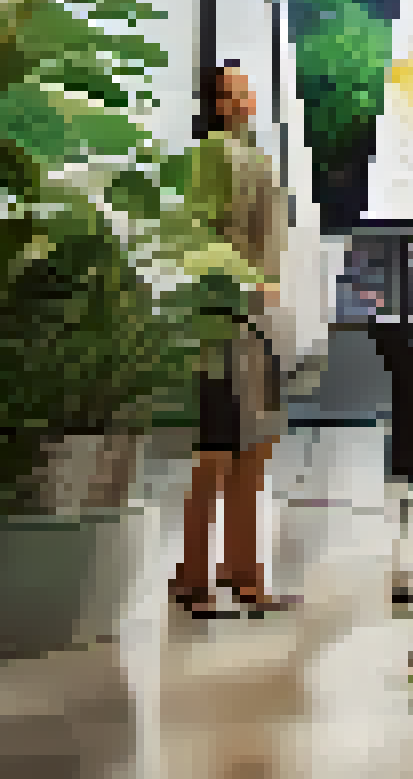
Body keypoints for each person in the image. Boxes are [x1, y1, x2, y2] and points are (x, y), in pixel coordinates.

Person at [174, 62, 297, 616]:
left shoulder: (248, 157)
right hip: (228, 319)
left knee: (248, 447)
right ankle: (203, 576)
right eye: (232, 93)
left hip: (250, 319)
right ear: (216, 103)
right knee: (222, 449)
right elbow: (204, 238)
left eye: (245, 92)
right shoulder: (214, 157)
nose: (243, 102)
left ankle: (235, 572)